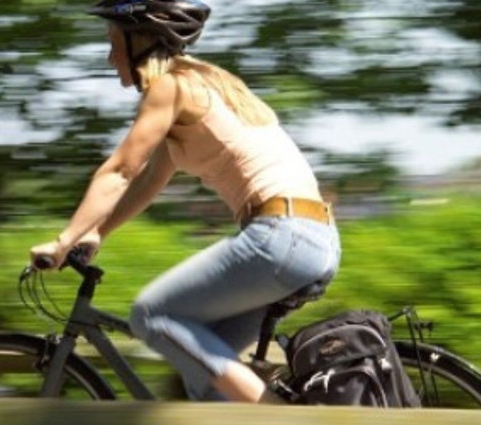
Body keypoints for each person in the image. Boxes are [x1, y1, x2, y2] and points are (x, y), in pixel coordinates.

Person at [30, 0, 341, 403]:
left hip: (281, 238)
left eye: (113, 43)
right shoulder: (206, 84)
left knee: (150, 315)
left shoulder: (171, 86)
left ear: (140, 40)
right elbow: (146, 183)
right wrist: (97, 233)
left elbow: (120, 170)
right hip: (312, 239)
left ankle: (278, 414)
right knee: (205, 381)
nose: (110, 59)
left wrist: (63, 240)